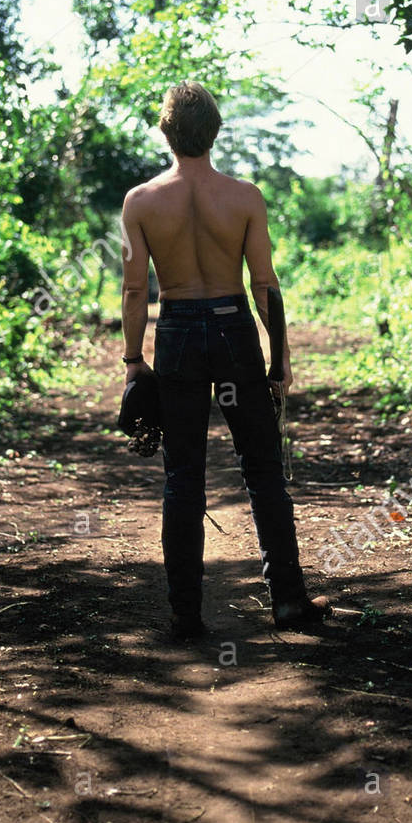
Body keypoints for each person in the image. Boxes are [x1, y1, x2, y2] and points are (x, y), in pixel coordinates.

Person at [119, 82, 330, 640]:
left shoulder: (140, 202)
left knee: (182, 476)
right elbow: (265, 284)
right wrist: (279, 357)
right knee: (262, 470)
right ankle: (287, 601)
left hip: (179, 332)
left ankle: (186, 616)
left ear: (166, 132)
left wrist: (133, 360)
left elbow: (136, 290)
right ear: (214, 132)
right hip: (234, 328)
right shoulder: (245, 197)